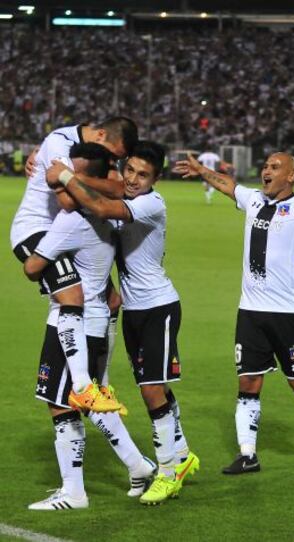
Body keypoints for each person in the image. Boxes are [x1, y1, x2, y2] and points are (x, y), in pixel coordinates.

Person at [45, 140, 199, 506]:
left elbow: (98, 203)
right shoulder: (130, 197)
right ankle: (182, 454)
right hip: (135, 310)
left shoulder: (150, 204)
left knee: (151, 390)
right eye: (129, 170)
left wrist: (64, 174)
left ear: (156, 179)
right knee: (154, 386)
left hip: (158, 306)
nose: (133, 179)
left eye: (143, 175)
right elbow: (97, 192)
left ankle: (166, 472)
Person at [175, 151, 294, 474]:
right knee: (248, 383)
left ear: (291, 176)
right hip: (251, 311)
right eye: (266, 166)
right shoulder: (254, 200)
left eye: (274, 167)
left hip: (290, 314)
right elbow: (229, 186)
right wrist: (201, 170)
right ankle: (248, 454)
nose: (266, 171)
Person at [23, 143, 156, 510]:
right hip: (95, 321)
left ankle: (78, 490)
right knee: (85, 401)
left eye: (71, 175)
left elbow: (32, 266)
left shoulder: (72, 220)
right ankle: (136, 466)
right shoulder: (107, 217)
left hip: (73, 324)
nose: (61, 185)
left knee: (63, 404)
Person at [10, 117, 138, 411]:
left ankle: (102, 383)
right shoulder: (58, 143)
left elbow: (122, 189)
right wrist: (89, 184)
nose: (112, 162)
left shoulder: (95, 151)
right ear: (101, 133)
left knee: (113, 301)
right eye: (114, 154)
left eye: (117, 159)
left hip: (70, 232)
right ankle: (82, 385)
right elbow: (68, 202)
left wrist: (74, 178)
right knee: (72, 296)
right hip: (37, 230)